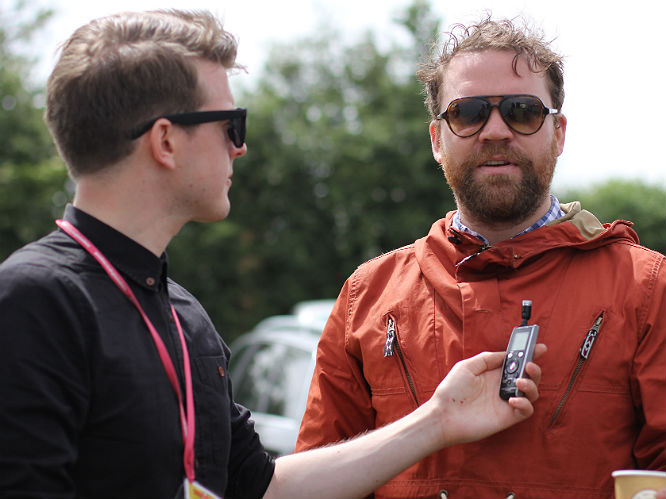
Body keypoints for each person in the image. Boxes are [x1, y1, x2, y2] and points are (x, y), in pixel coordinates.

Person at [0, 10, 546, 499]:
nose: (240, 146)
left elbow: (263, 488)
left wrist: (437, 421)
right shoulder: (32, 301)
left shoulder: (184, 315)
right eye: (229, 125)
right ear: (165, 142)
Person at [296, 16, 666, 499]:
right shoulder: (367, 296)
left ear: (558, 133)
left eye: (522, 110)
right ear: (436, 139)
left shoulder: (646, 289)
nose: (496, 130)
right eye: (468, 112)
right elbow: (314, 481)